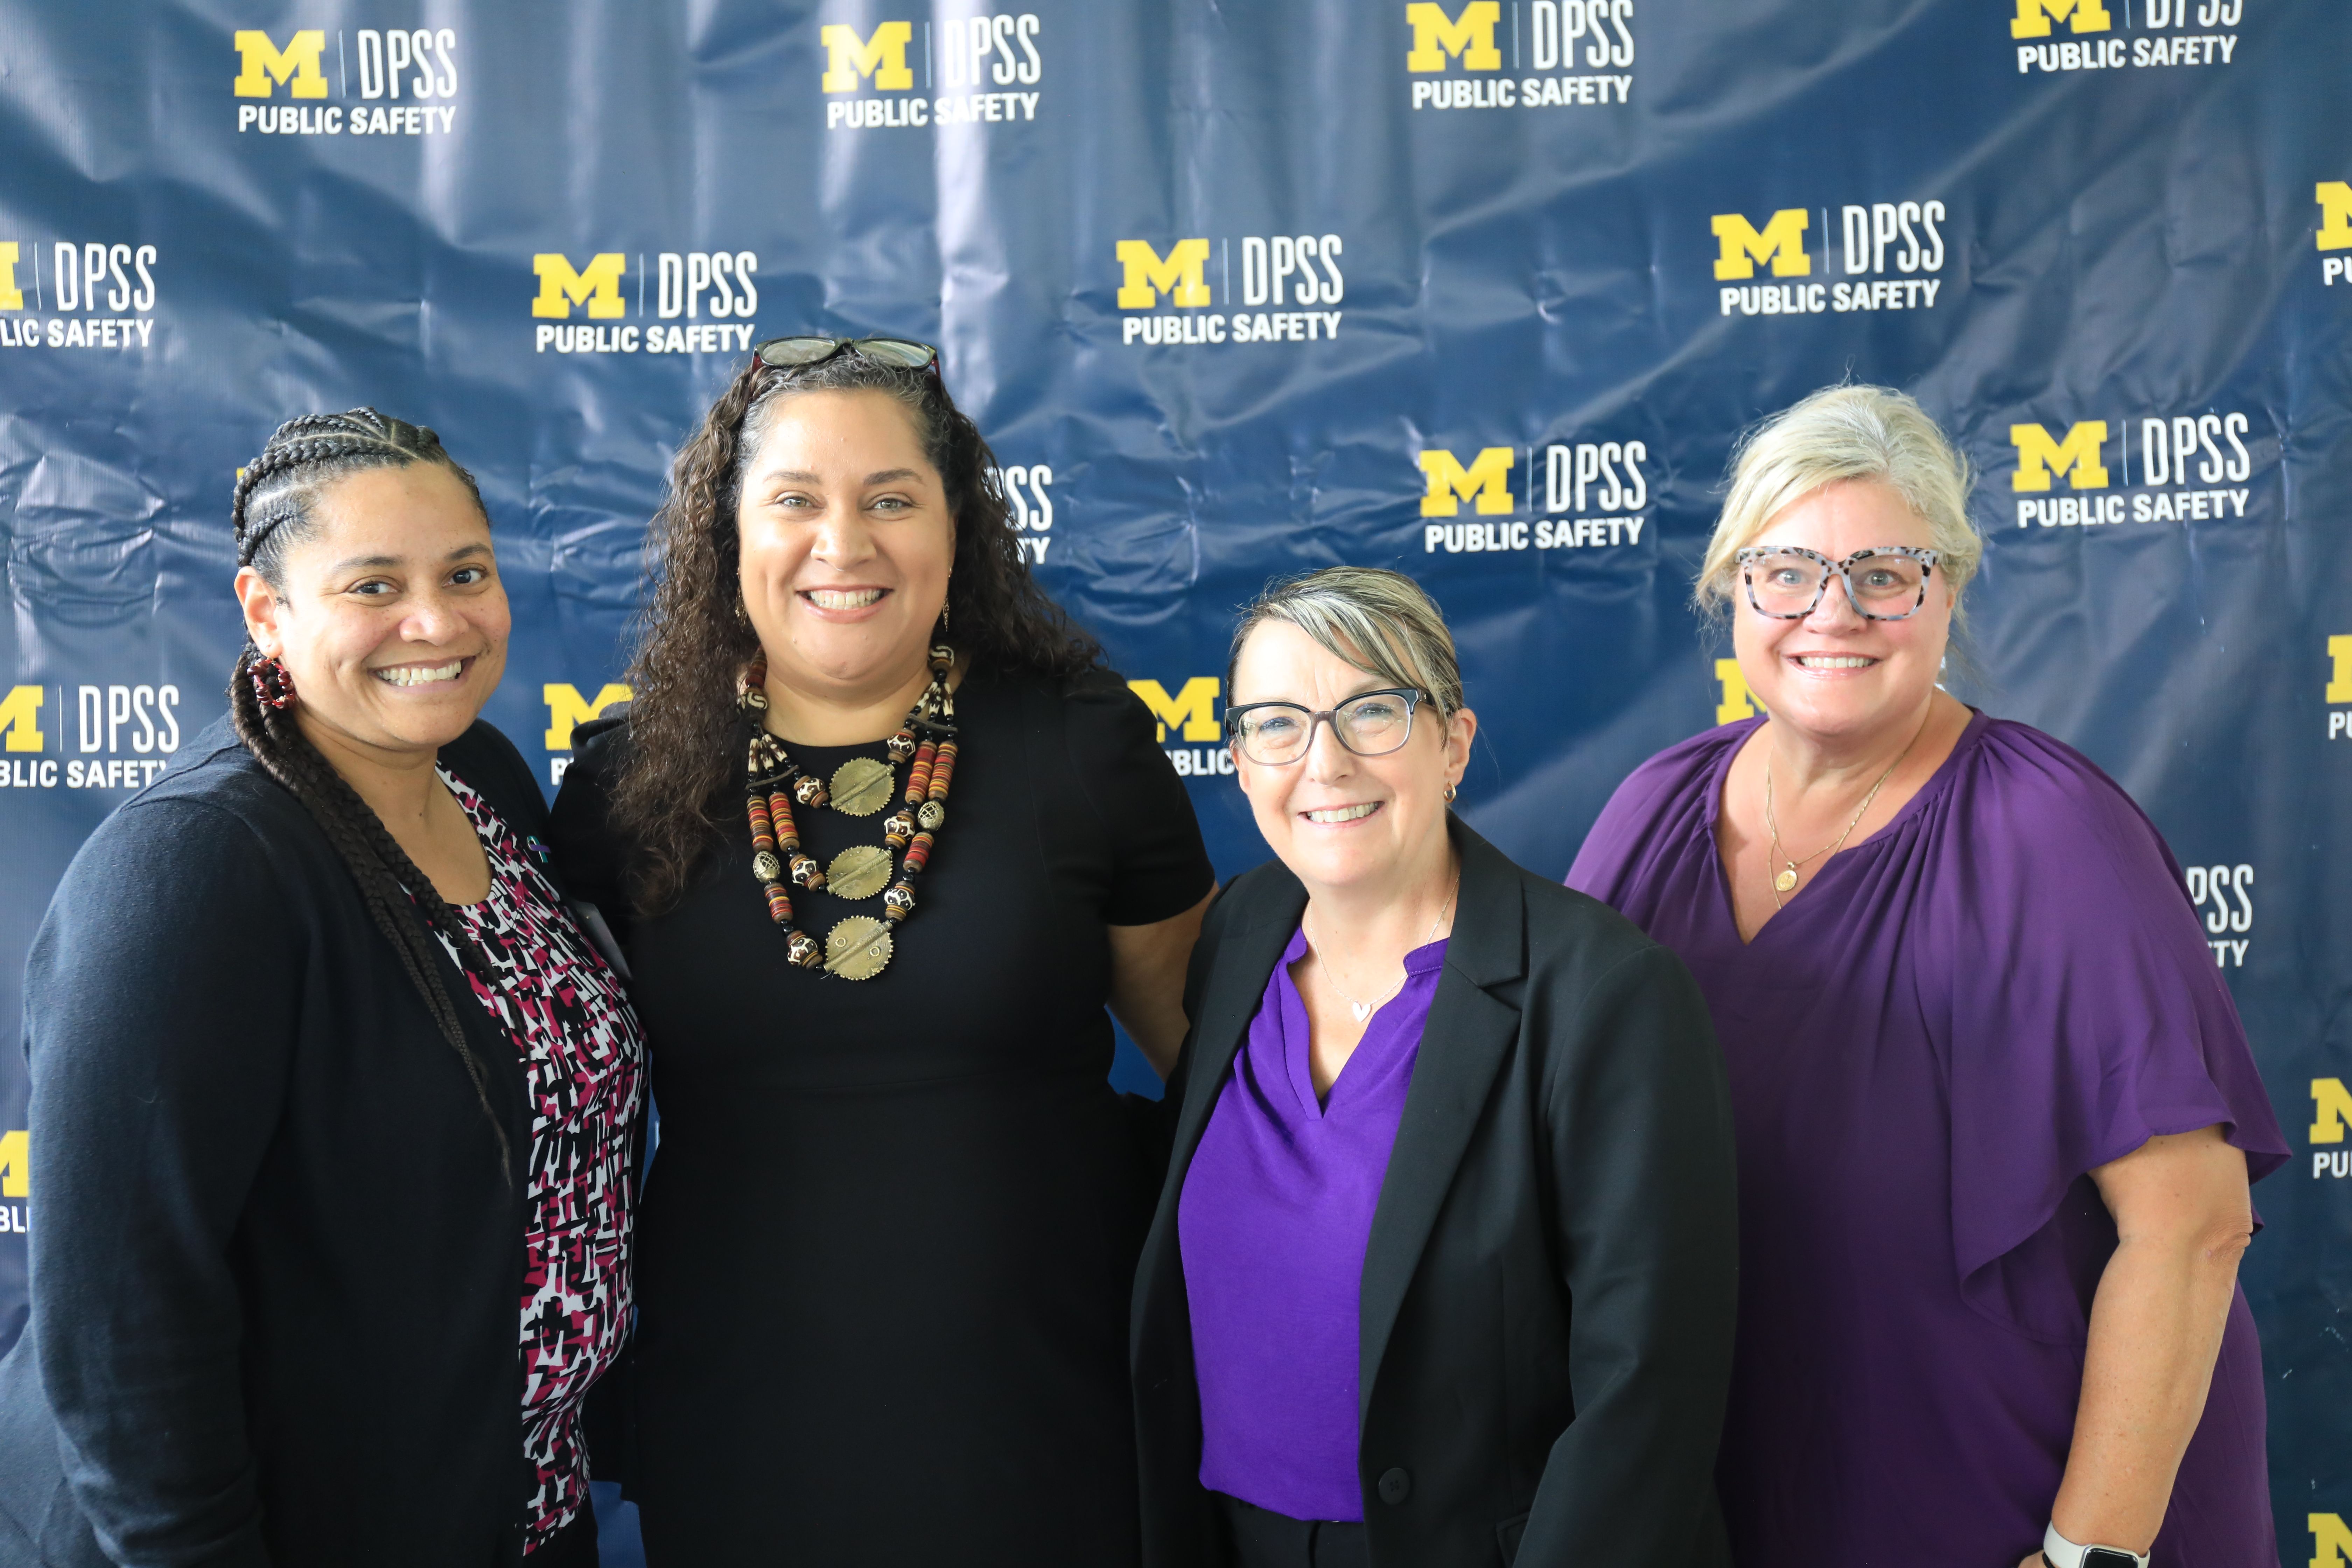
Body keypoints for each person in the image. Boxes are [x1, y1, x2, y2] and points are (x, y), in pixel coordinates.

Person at [1568, 385, 2290, 1568]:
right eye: (1787, 569)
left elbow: (2193, 1229)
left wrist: (2083, 1555)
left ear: (1945, 591)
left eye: (1884, 574)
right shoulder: (1651, 812)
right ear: (1733, 590)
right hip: (1752, 1485)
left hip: (2019, 1501)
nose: (1831, 613)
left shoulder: (2050, 836)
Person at [548, 334, 1215, 1563]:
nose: (842, 544)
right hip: (738, 1421)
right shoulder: (623, 781)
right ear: (729, 536)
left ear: (957, 530)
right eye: (795, 500)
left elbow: (1214, 1075)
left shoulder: (1085, 746)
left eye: (891, 500)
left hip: (1051, 1419)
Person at [0, 410, 644, 1566]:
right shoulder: (197, 868)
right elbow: (118, 1336)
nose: (435, 622)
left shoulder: (481, 774)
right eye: (373, 585)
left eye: (466, 573)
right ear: (266, 611)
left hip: (522, 1504)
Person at [1132, 566, 1738, 1568]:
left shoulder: (1604, 995)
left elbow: (1649, 1394)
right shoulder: (1238, 936)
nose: (1323, 763)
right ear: (1237, 761)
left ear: (1452, 743)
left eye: (1372, 711)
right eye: (1278, 724)